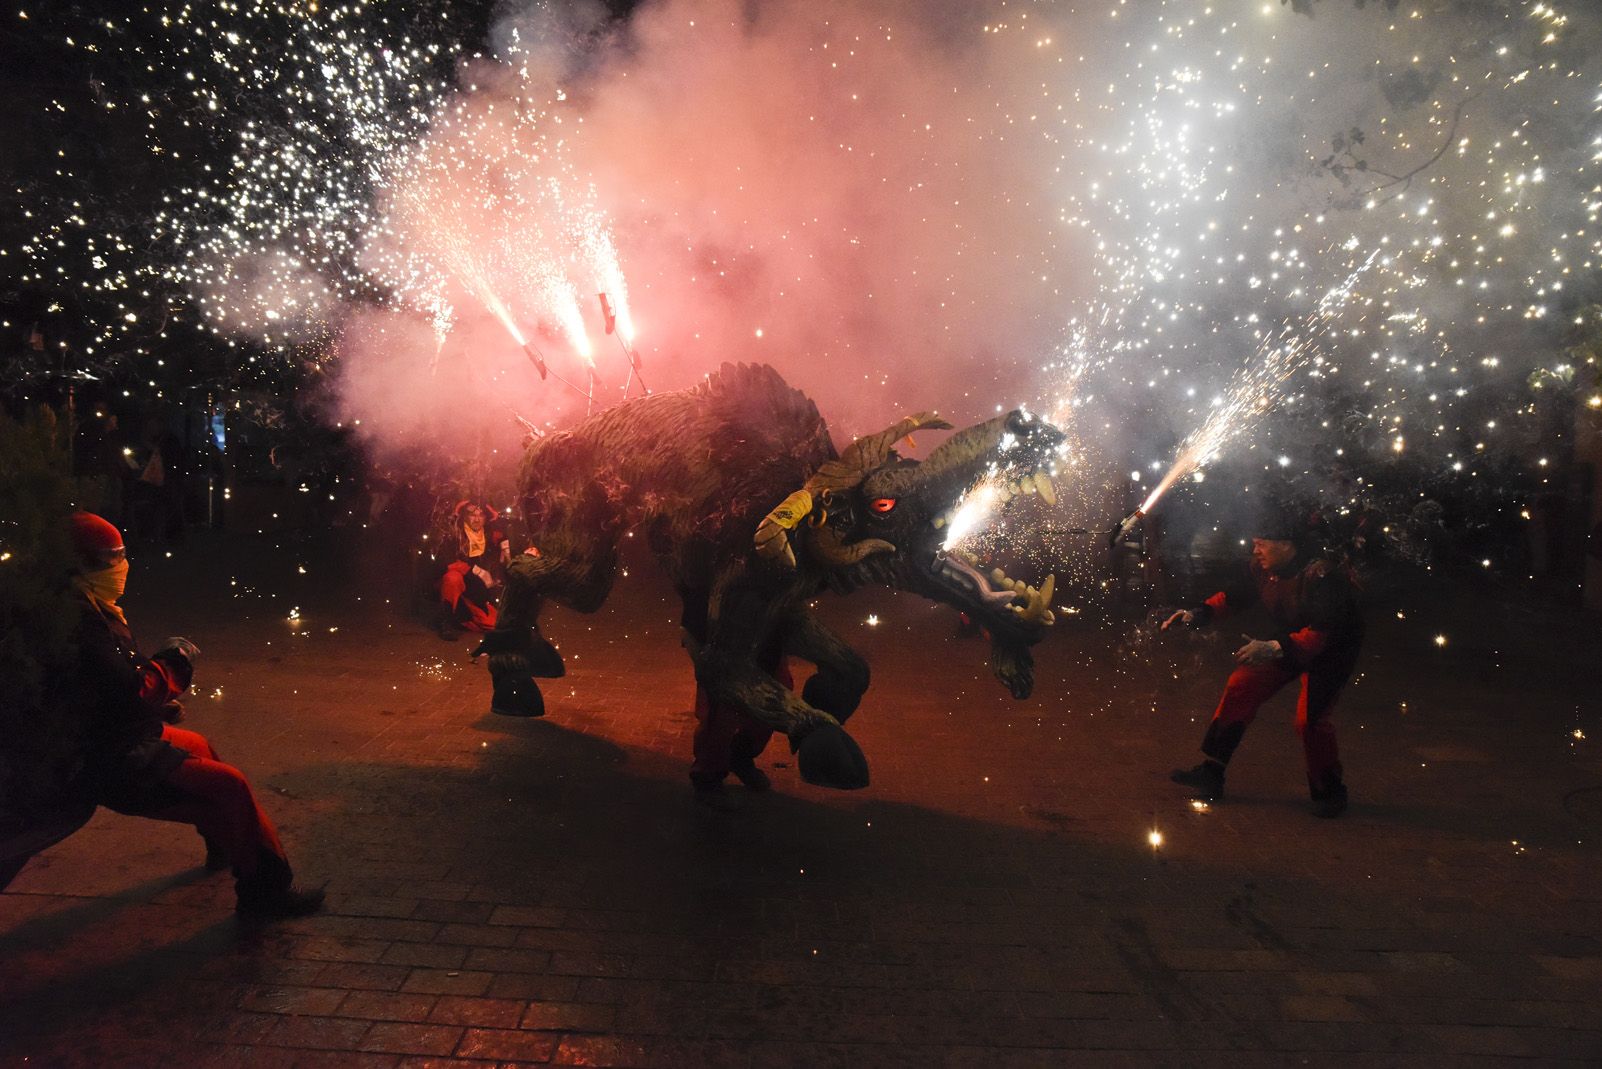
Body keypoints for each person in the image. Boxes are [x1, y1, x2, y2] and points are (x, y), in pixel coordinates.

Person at [64, 511, 324, 917]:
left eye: (120, 557)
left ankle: (228, 843)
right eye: (108, 560)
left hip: (127, 731)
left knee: (203, 747)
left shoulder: (97, 608)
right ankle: (264, 890)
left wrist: (155, 704)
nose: (119, 568)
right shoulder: (78, 621)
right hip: (113, 754)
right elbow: (124, 686)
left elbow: (113, 691)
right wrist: (173, 666)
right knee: (230, 786)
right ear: (79, 565)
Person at [1163, 511, 1364, 818]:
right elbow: (1232, 597)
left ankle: (1330, 791)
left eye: (1262, 544)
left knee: (1309, 721)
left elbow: (1324, 633)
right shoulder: (1261, 568)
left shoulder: (1322, 575)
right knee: (1241, 685)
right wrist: (1196, 615)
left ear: (1287, 545)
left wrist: (1272, 647)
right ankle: (1212, 771)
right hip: (1291, 640)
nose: (1255, 550)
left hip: (1332, 650)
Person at [435, 501, 510, 638]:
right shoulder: (454, 534)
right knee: (452, 577)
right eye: (472, 515)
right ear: (464, 516)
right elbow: (445, 561)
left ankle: (460, 617)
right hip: (456, 586)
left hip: (475, 591)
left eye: (481, 515)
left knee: (493, 624)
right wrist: (477, 571)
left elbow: (504, 537)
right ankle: (446, 620)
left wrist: (506, 547)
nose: (476, 519)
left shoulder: (489, 534)